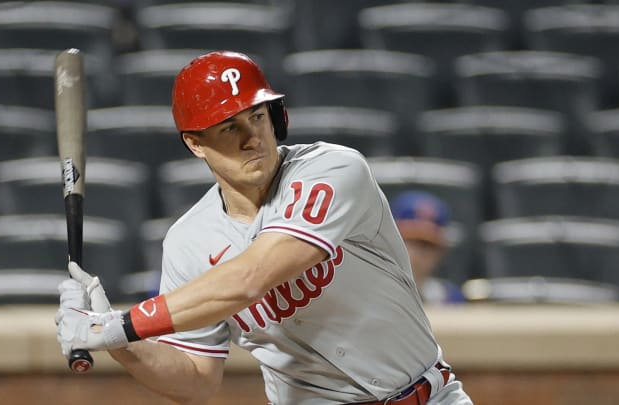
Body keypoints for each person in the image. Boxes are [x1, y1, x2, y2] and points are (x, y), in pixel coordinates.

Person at [56, 51, 473, 405]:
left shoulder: (331, 169)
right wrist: (121, 343)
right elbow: (196, 381)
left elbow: (253, 275)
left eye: (257, 115)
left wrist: (123, 323)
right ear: (195, 143)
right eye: (228, 127)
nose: (252, 137)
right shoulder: (189, 242)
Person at [390, 191, 466, 305]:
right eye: (406, 242)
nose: (414, 255)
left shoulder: (452, 299)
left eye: (425, 246)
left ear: (440, 252)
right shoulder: (367, 294)